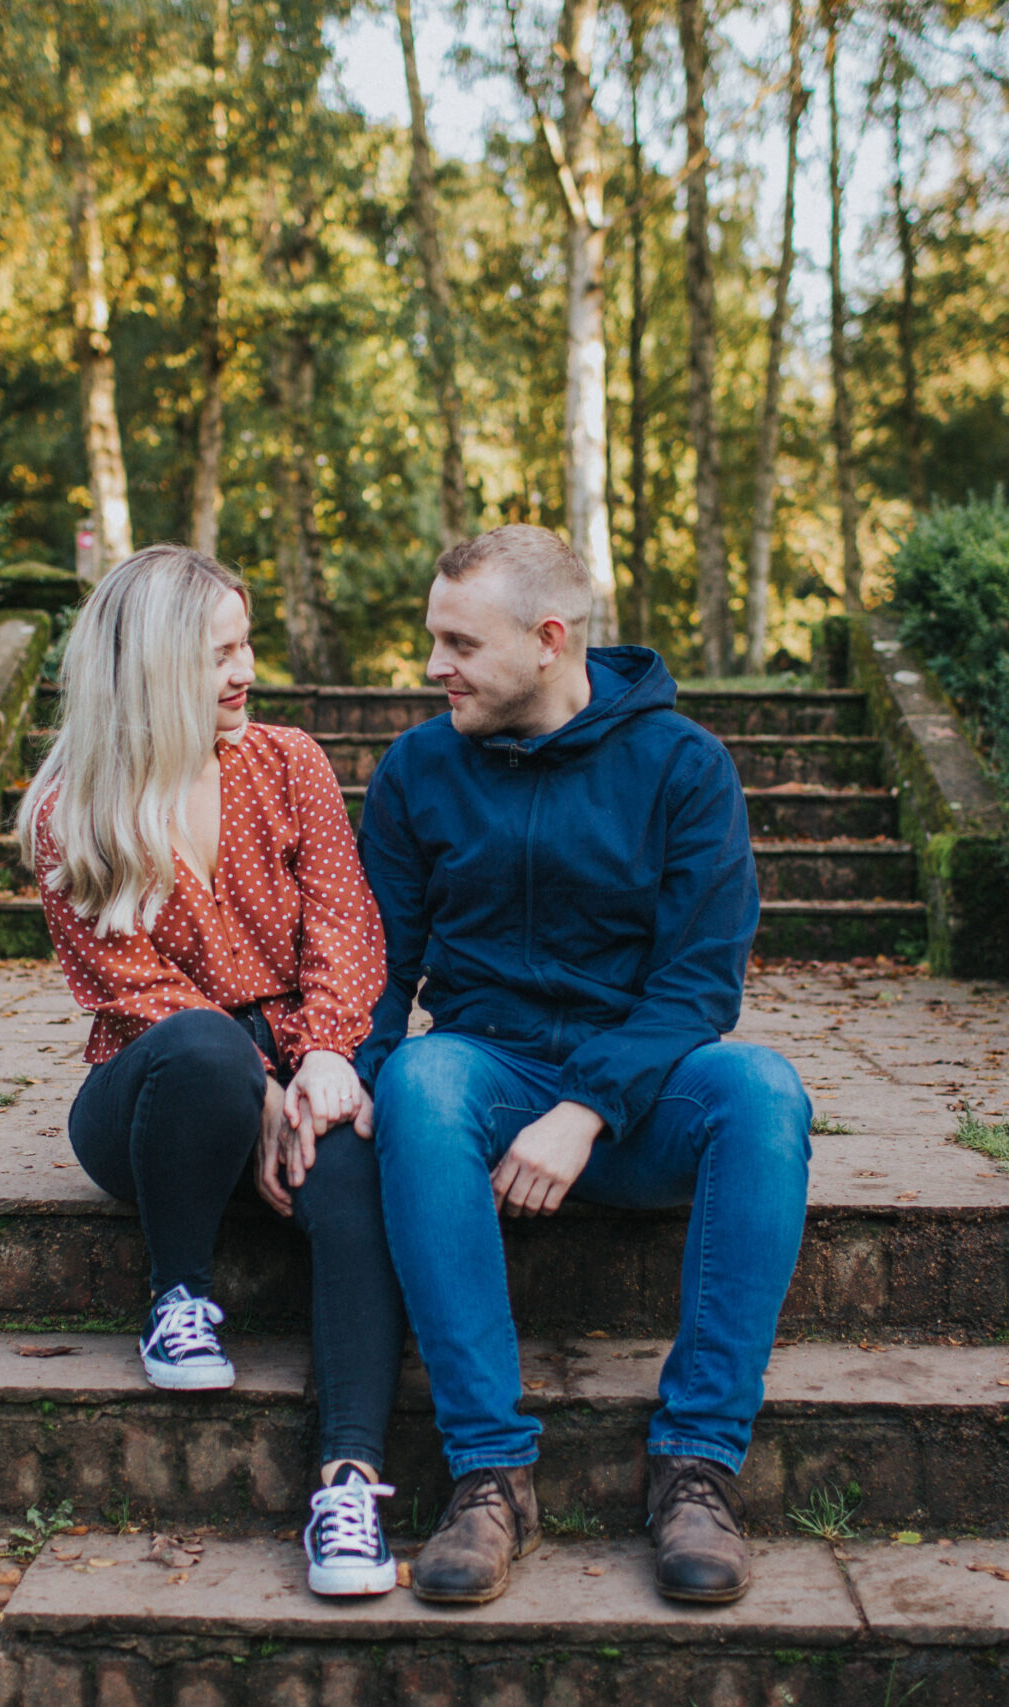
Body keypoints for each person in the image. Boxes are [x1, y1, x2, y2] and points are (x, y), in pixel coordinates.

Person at [356, 525, 811, 1607]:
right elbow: (379, 965)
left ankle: (696, 1466)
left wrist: (588, 1108)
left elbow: (700, 985)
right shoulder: (418, 769)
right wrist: (343, 1072)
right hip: (485, 1072)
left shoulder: (684, 767)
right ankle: (488, 1476)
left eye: (458, 643)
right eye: (433, 639)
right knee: (416, 1081)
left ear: (549, 640)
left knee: (763, 1092)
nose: (433, 667)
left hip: (640, 1099)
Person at [17, 544, 407, 1599]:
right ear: (148, 669)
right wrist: (259, 1089)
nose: (245, 672)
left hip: (294, 1054)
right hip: (151, 1096)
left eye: (245, 646)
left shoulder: (289, 763)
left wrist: (325, 1053)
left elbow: (344, 923)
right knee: (196, 1049)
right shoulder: (74, 811)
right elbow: (126, 985)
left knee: (362, 1178)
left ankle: (349, 1485)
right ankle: (177, 1296)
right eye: (217, 654)